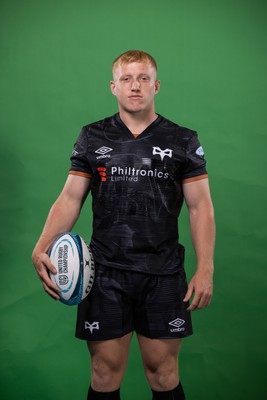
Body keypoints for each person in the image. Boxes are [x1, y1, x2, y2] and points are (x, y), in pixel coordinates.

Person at [32, 50, 215, 400]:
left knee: (163, 374)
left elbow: (200, 207)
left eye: (144, 78)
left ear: (156, 86)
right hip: (105, 272)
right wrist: (41, 245)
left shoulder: (182, 140)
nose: (136, 86)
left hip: (162, 272)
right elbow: (70, 198)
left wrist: (205, 267)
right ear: (113, 86)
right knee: (104, 373)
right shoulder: (93, 136)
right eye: (127, 79)